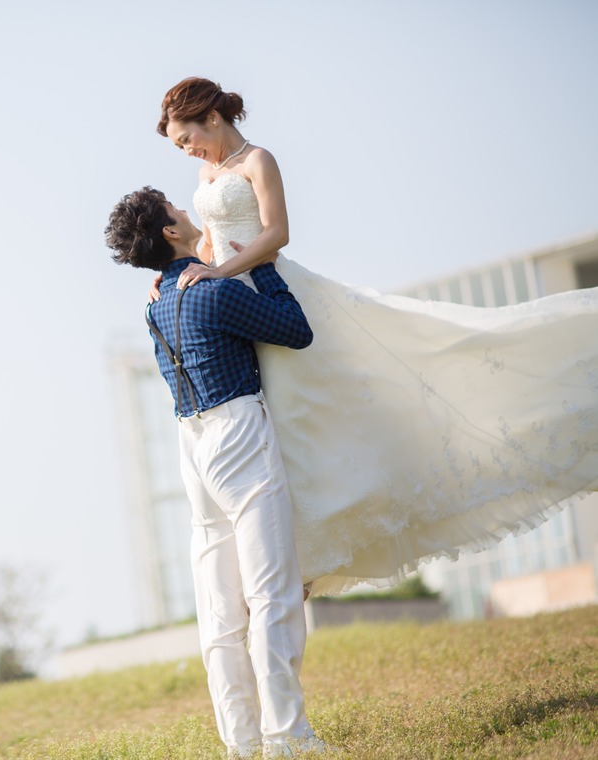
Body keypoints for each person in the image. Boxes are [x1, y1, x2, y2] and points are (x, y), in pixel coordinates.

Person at [152, 76, 598, 596]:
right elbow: (208, 246)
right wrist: (177, 279)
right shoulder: (206, 176)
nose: (188, 152)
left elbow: (277, 234)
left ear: (210, 116)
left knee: (310, 408)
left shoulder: (258, 160)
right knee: (282, 419)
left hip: (274, 292)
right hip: (235, 302)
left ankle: (310, 549)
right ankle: (302, 549)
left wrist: (223, 274)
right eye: (180, 148)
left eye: (186, 140)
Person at [105, 186, 328, 758]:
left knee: (220, 606)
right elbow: (295, 330)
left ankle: (241, 744)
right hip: (236, 433)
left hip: (193, 446)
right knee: (271, 593)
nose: (188, 210)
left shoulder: (155, 306)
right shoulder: (213, 293)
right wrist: (268, 266)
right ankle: (289, 738)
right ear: (171, 234)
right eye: (178, 212)